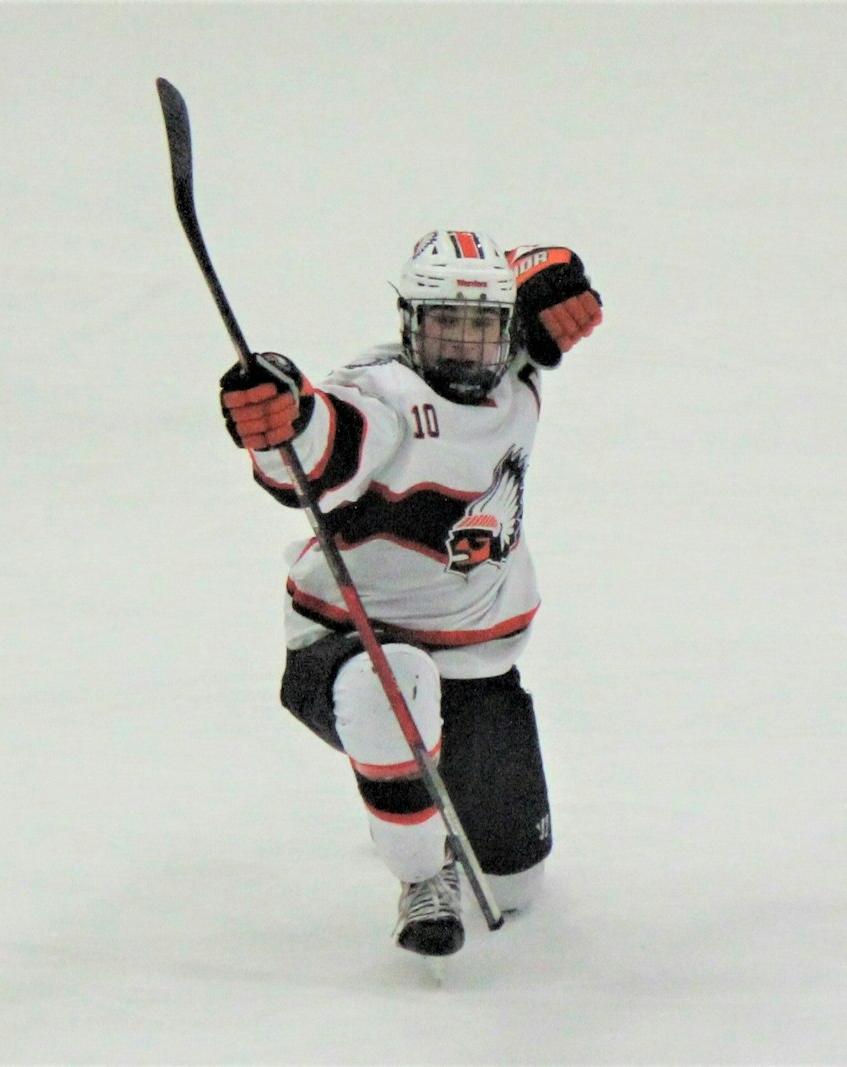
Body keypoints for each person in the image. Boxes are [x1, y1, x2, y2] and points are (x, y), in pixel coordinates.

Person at [217, 229, 603, 957]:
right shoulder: (384, 392)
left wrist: (551, 277)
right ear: (409, 325)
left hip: (477, 666)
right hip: (347, 645)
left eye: (481, 327)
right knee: (395, 681)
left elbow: (540, 280)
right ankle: (421, 874)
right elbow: (327, 443)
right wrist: (286, 421)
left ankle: (406, 796)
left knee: (515, 884)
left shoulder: (517, 368)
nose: (463, 347)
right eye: (443, 326)